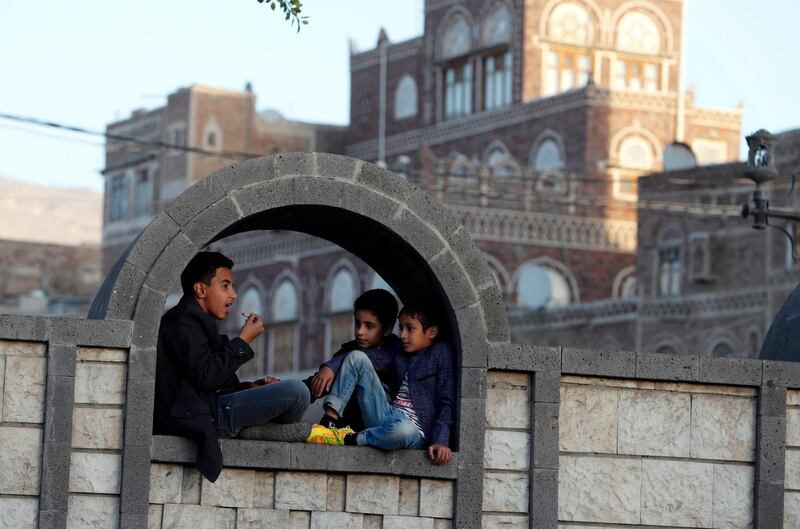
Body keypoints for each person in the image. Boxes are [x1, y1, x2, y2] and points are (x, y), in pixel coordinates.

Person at [154, 251, 310, 482]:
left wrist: (253, 387)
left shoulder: (198, 322)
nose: (234, 295)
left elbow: (214, 381)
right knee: (296, 393)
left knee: (299, 395)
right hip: (202, 415)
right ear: (201, 290)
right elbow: (207, 377)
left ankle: (249, 432)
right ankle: (251, 433)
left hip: (213, 407)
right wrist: (243, 341)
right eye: (225, 286)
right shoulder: (181, 321)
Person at [310, 301, 455, 465]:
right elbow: (365, 357)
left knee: (402, 431)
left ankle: (352, 438)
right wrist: (330, 367)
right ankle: (328, 425)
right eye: (401, 328)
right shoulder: (398, 350)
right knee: (357, 358)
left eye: (410, 328)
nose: (403, 335)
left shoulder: (441, 352)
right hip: (386, 415)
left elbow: (446, 401)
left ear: (432, 332)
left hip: (413, 432)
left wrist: (441, 440)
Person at [306, 289, 399, 431]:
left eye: (369, 326)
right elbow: (322, 384)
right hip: (348, 427)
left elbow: (377, 359)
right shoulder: (349, 348)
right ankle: (330, 427)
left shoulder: (396, 349)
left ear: (387, 329)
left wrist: (333, 365)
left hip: (383, 423)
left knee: (355, 360)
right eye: (357, 323)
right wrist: (290, 389)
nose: (360, 331)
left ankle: (329, 422)